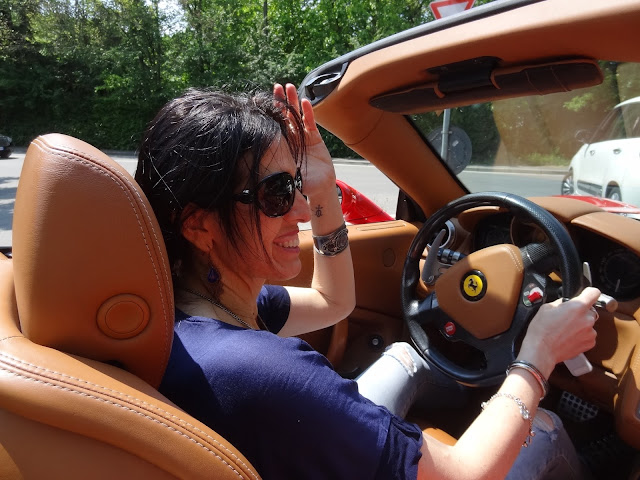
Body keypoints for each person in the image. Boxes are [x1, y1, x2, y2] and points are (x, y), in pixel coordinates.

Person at [135, 83, 601, 480]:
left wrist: (324, 188)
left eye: (296, 185)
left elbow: (332, 301)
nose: (302, 211)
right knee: (546, 427)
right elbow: (463, 473)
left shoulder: (194, 311)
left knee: (405, 355)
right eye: (276, 194)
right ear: (198, 226)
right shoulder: (263, 370)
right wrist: (537, 356)